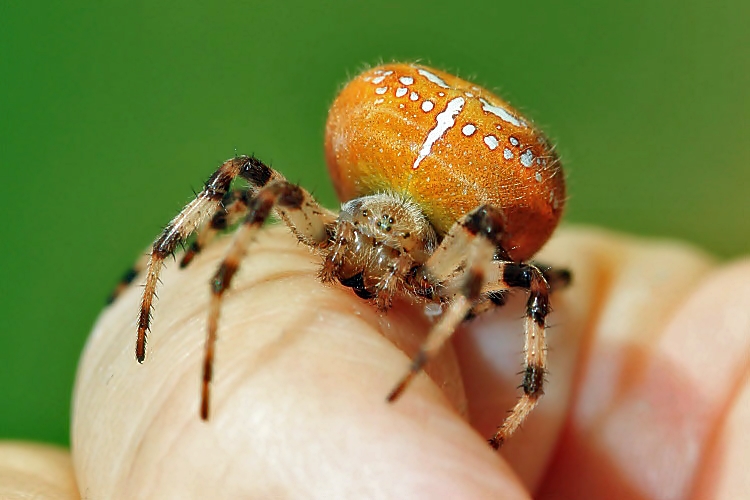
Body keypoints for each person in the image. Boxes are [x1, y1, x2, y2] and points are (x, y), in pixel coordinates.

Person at [2, 227, 748, 498]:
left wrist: (512, 406)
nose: (372, 278)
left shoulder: (447, 265)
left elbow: (523, 279)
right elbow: (237, 192)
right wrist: (173, 288)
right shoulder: (315, 229)